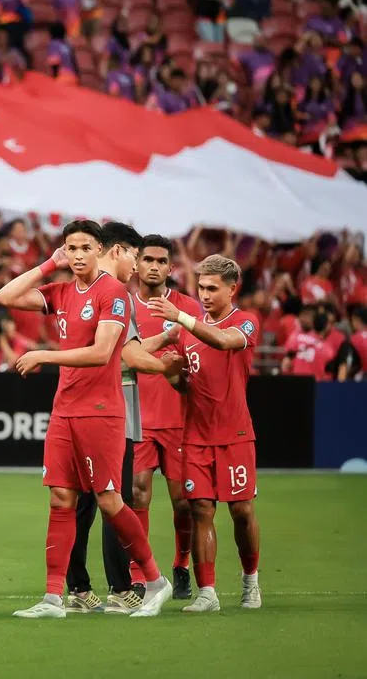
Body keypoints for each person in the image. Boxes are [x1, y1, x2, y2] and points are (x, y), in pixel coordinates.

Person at [0, 218, 172, 619]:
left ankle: (154, 580)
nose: (76, 256)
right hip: (65, 410)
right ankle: (54, 597)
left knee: (110, 500)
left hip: (101, 412)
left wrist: (44, 354)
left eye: (84, 248)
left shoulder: (114, 292)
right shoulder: (61, 291)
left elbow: (101, 352)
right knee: (60, 498)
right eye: (70, 249)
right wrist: (46, 265)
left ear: (100, 251)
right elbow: (5, 296)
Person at [63, 223, 186, 615]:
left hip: (83, 410)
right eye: (136, 255)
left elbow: (124, 349)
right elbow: (127, 357)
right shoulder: (114, 295)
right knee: (111, 499)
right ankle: (123, 586)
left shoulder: (89, 291)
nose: (138, 265)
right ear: (118, 251)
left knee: (78, 502)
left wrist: (161, 345)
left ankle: (79, 588)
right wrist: (165, 367)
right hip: (110, 414)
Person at [148, 255, 263, 613]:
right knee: (200, 510)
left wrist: (180, 318)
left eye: (213, 288)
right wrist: (167, 371)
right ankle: (207, 592)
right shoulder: (187, 331)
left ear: (232, 289)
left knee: (242, 511)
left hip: (236, 434)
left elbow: (225, 342)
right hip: (196, 437)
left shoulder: (245, 322)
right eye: (200, 287)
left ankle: (250, 581)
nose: (205, 294)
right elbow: (186, 384)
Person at [129, 234, 201, 600]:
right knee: (137, 495)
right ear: (136, 264)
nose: (154, 266)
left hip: (179, 420)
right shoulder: (122, 306)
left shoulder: (188, 308)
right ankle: (140, 572)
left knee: (183, 502)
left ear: (171, 268)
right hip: (137, 419)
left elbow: (203, 355)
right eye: (148, 260)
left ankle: (181, 564)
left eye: (161, 261)